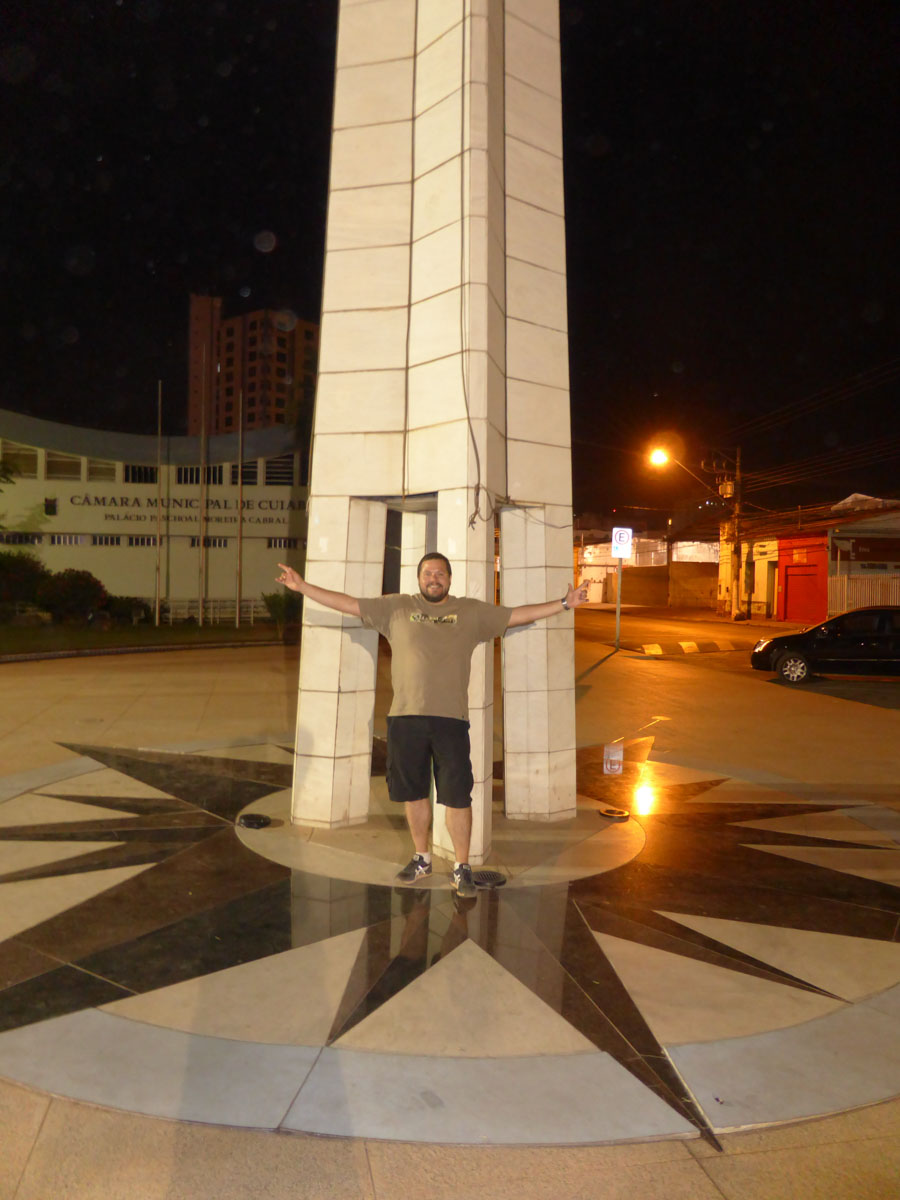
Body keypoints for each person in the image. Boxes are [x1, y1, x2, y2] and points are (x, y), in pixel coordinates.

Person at [277, 553, 589, 897]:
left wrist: (564, 603)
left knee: (457, 797)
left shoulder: (470, 611)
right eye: (428, 573)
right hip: (405, 718)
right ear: (419, 578)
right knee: (414, 793)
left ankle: (462, 867)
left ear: (450, 579)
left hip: (451, 721)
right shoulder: (396, 607)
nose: (434, 578)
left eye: (440, 573)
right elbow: (349, 604)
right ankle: (422, 858)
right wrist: (302, 586)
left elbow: (515, 615)